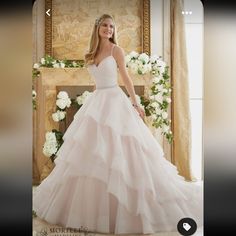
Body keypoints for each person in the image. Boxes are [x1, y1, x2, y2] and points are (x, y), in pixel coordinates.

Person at [33, 14, 203, 234]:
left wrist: (136, 103)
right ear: (97, 27)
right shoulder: (91, 54)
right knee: (94, 153)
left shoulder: (116, 51)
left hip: (116, 101)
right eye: (105, 25)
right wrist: (92, 105)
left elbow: (125, 77)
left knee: (122, 152)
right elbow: (97, 83)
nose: (109, 29)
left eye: (112, 26)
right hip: (97, 101)